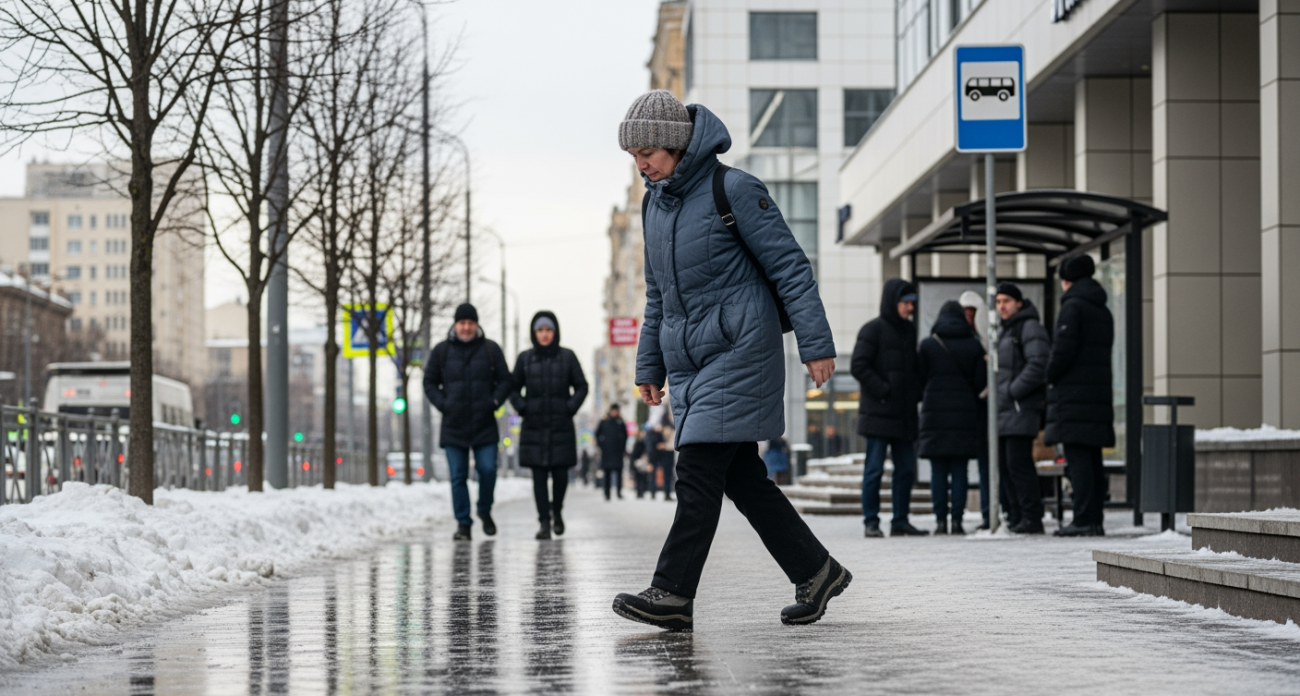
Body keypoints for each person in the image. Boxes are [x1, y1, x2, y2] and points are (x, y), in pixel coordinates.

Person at [611, 90, 851, 631]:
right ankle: (817, 571)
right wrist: (649, 366)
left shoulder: (733, 189)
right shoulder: (655, 204)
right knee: (742, 478)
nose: (641, 163)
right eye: (634, 156)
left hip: (739, 350)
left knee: (696, 471)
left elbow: (790, 267)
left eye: (648, 150)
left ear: (675, 143)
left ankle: (672, 592)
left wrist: (816, 344)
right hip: (690, 361)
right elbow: (657, 295)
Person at [424, 303, 512, 541]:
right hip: (454, 425)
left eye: (470, 323)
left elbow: (506, 380)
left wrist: (494, 402)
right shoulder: (441, 351)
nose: (466, 327)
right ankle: (463, 523)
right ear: (455, 324)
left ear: (476, 324)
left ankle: (484, 508)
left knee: (488, 469)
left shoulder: (491, 349)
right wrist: (444, 404)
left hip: (484, 424)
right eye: (462, 323)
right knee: (458, 476)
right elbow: (429, 382)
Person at [1045, 255, 1114, 537]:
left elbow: (1062, 350)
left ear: (1066, 280)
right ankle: (1094, 518)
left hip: (1074, 397)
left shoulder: (1073, 307)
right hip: (1096, 395)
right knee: (1092, 459)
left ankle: (1083, 518)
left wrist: (1049, 375)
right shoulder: (1102, 310)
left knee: (1078, 461)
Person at [851, 279, 926, 538]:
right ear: (893, 302)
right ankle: (871, 521)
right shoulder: (872, 330)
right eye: (905, 303)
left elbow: (913, 369)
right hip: (879, 415)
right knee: (874, 470)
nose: (909, 308)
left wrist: (914, 392)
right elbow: (858, 365)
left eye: (912, 303)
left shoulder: (908, 331)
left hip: (904, 416)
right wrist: (885, 390)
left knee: (905, 470)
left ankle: (900, 521)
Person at [510, 311, 589, 540]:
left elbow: (582, 386)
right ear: (534, 333)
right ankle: (544, 522)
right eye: (540, 330)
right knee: (539, 477)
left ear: (555, 332)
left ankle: (557, 511)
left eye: (548, 330)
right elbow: (512, 388)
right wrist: (522, 407)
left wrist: (569, 407)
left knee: (561, 475)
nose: (544, 335)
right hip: (534, 427)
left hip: (560, 426)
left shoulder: (567, 357)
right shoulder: (525, 359)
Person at [917, 301, 987, 535]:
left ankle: (939, 522)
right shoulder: (974, 346)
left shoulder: (928, 345)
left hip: (934, 416)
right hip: (964, 416)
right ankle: (957, 521)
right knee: (960, 470)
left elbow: (920, 380)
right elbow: (980, 384)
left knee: (938, 471)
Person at [995, 282, 1051, 534]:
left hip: (1019, 408)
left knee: (1018, 465)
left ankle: (1031, 517)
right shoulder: (1005, 330)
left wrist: (1012, 391)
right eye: (997, 302)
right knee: (1006, 466)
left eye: (1006, 300)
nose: (1001, 306)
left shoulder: (1028, 327)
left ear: (1018, 302)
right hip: (1005, 410)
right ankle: (1018, 516)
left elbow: (1038, 364)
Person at [957, 289, 996, 529]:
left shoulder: (986, 339)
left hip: (985, 408)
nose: (969, 318)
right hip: (968, 407)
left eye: (973, 313)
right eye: (966, 313)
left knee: (987, 463)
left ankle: (989, 513)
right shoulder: (961, 339)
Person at [595, 404, 629, 500]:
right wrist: (602, 445)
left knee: (619, 473)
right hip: (607, 452)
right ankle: (607, 493)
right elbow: (597, 434)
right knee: (607, 473)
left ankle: (619, 492)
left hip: (618, 452)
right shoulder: (604, 421)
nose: (614, 412)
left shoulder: (620, 422)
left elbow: (625, 436)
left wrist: (623, 447)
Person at [629, 428, 651, 498]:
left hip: (642, 463)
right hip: (638, 463)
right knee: (639, 478)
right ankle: (639, 492)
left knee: (642, 478)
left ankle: (641, 492)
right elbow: (634, 454)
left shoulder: (645, 442)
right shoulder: (639, 443)